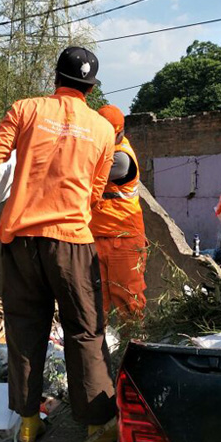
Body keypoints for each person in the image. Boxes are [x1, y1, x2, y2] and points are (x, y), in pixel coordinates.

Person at [0, 47, 117, 442]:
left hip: (21, 243)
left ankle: (27, 422)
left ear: (56, 78)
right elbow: (97, 192)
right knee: (86, 332)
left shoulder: (26, 109)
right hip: (72, 243)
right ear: (91, 87)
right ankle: (96, 425)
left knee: (25, 331)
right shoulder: (104, 130)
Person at [89, 104, 147, 322]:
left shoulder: (121, 158)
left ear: (118, 133)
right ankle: (96, 351)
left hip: (123, 240)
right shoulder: (100, 150)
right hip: (96, 238)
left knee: (128, 300)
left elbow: (87, 175)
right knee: (95, 302)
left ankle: (131, 348)